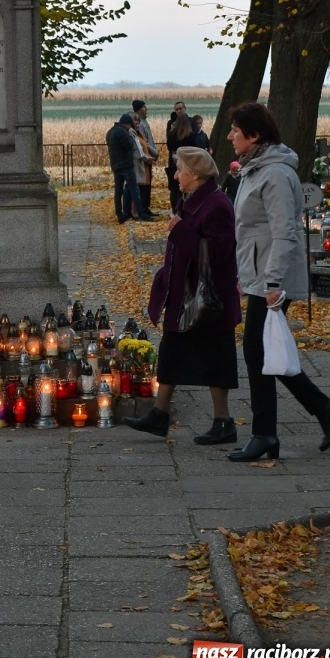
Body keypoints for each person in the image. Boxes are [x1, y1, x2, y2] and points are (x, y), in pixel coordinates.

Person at [226, 102, 330, 462]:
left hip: (273, 276)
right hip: (260, 273)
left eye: (236, 130)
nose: (230, 135)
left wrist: (272, 283)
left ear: (255, 136)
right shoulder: (255, 169)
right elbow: (249, 231)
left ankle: (266, 434)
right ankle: (321, 408)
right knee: (261, 352)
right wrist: (244, 276)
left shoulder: (275, 174)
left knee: (256, 352)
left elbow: (284, 233)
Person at [123, 147, 241, 442]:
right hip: (186, 298)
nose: (175, 176)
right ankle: (159, 415)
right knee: (172, 354)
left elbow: (216, 253)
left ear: (196, 175)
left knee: (217, 362)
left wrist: (181, 231)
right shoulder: (192, 201)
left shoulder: (216, 205)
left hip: (208, 302)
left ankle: (224, 423)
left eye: (179, 170)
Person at [105, 114, 156, 224]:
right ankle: (141, 213)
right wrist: (130, 137)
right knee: (134, 190)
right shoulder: (123, 132)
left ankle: (120, 214)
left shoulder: (111, 131)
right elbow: (129, 146)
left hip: (115, 165)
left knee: (118, 191)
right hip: (126, 165)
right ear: (127, 124)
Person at [167, 113, 200, 212]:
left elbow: (169, 147)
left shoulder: (172, 135)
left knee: (174, 189)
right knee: (184, 187)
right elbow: (194, 148)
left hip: (174, 162)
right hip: (186, 163)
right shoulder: (190, 135)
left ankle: (174, 209)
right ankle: (182, 208)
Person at [132, 100, 159, 214]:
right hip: (145, 157)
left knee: (147, 183)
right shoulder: (140, 123)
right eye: (144, 107)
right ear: (139, 109)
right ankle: (143, 207)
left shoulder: (144, 122)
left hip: (148, 155)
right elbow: (144, 142)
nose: (146, 108)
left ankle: (145, 206)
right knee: (144, 183)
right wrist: (154, 153)